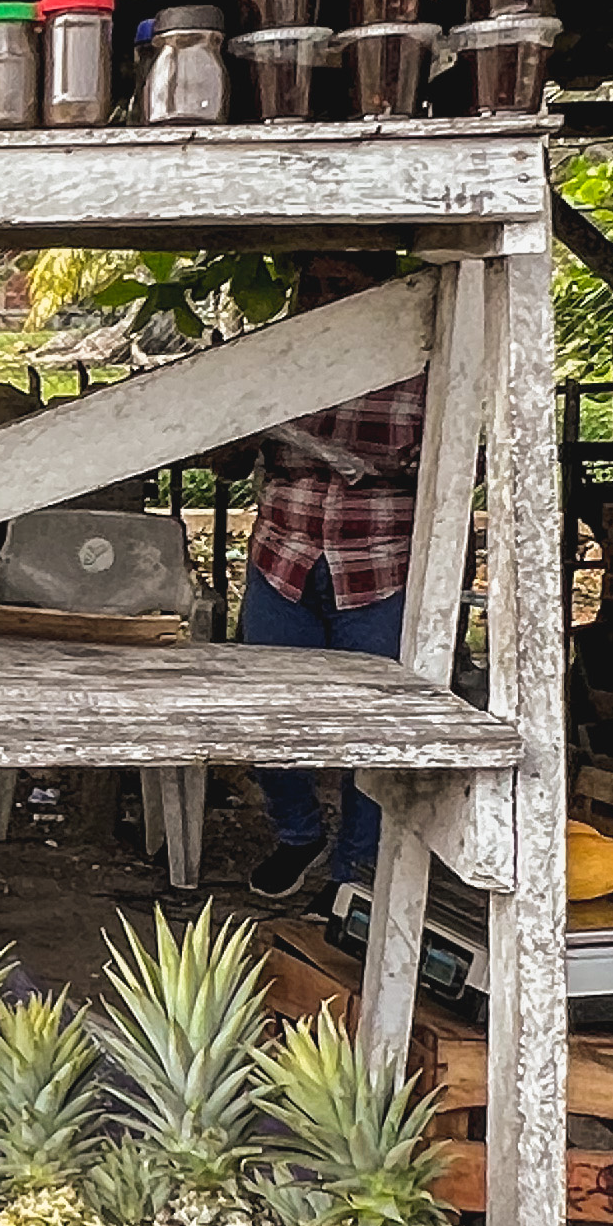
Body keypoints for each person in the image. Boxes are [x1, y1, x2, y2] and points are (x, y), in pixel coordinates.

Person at [242, 252, 426, 903]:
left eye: (342, 285)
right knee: (264, 714)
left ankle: (355, 870)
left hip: (379, 565)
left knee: (372, 727)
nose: (324, 297)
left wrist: (378, 467)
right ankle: (297, 835)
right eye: (313, 284)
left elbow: (463, 466)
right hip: (283, 559)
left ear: (378, 290)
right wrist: (235, 429)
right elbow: (226, 455)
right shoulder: (282, 358)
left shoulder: (420, 365)